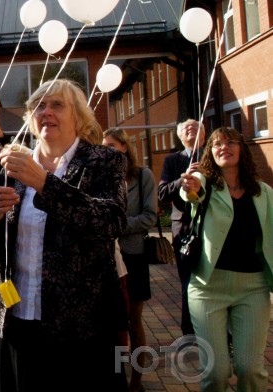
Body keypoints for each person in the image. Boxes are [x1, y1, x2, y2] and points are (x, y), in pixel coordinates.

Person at [0, 78, 128, 391]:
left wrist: (45, 183)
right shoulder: (13, 165)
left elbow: (111, 221)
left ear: (78, 117)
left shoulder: (103, 161)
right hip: (17, 319)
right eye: (39, 106)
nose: (47, 112)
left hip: (80, 329)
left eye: (57, 104)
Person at [180, 127, 272, 392]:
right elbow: (191, 193)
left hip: (253, 288)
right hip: (208, 287)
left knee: (250, 369)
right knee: (217, 373)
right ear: (211, 152)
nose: (224, 147)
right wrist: (191, 186)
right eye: (217, 144)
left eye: (231, 142)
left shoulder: (263, 192)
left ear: (242, 149)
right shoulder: (205, 183)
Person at [103, 127, 158, 392]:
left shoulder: (143, 175)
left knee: (134, 323)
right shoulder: (100, 176)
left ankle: (137, 379)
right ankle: (116, 377)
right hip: (106, 259)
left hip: (133, 256)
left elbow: (150, 216)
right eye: (104, 146)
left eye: (112, 145)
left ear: (125, 147)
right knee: (111, 325)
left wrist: (116, 225)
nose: (107, 150)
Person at [158, 118, 205, 335]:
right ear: (180, 136)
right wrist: (181, 179)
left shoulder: (212, 157)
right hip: (183, 227)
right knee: (187, 280)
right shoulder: (172, 160)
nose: (191, 130)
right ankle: (189, 331)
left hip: (209, 225)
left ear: (204, 136)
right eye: (187, 128)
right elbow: (162, 192)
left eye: (196, 127)